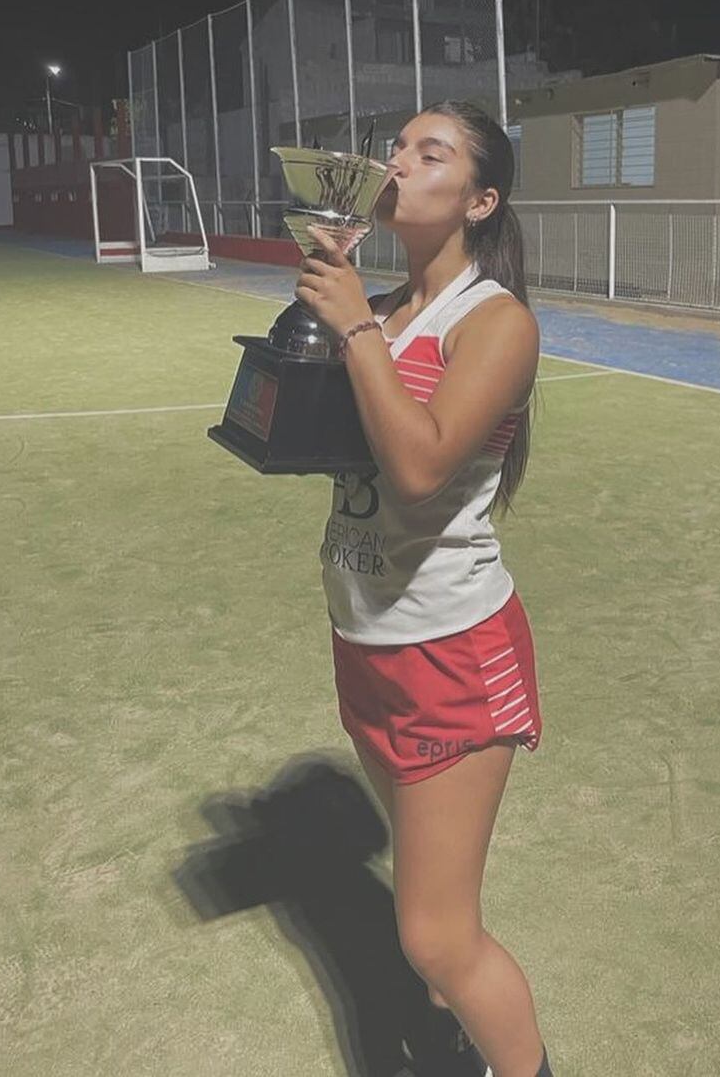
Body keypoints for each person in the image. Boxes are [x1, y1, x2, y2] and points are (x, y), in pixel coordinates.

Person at [295, 99, 552, 1077]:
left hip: (453, 653)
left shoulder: (495, 321)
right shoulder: (389, 309)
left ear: (479, 199)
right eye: (395, 148)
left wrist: (353, 317)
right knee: (426, 902)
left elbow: (419, 467)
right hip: (365, 640)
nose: (399, 163)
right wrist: (325, 305)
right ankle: (452, 1051)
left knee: (438, 937)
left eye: (429, 153)